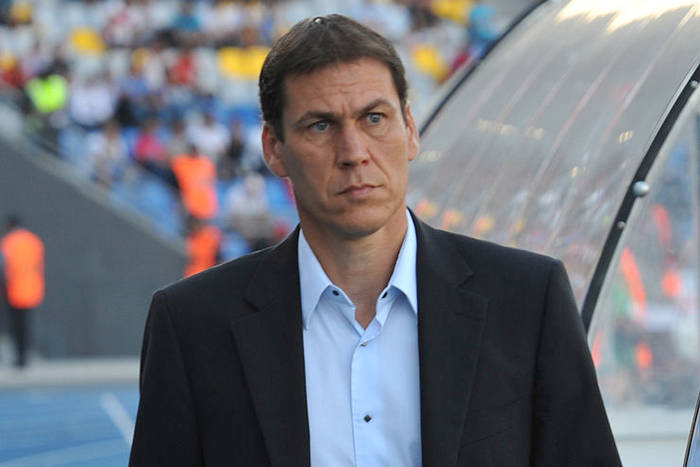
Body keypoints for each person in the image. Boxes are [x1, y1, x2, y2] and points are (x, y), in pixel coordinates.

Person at [130, 14, 622, 466]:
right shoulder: (192, 325)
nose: (354, 152)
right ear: (274, 149)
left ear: (410, 130)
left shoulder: (527, 299)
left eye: (374, 118)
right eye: (321, 125)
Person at [1, 215, 44, 368]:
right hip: (31, 289)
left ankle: (20, 357)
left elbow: (3, 267)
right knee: (26, 326)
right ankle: (24, 356)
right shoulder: (33, 241)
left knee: (15, 327)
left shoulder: (8, 242)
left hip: (12, 290)